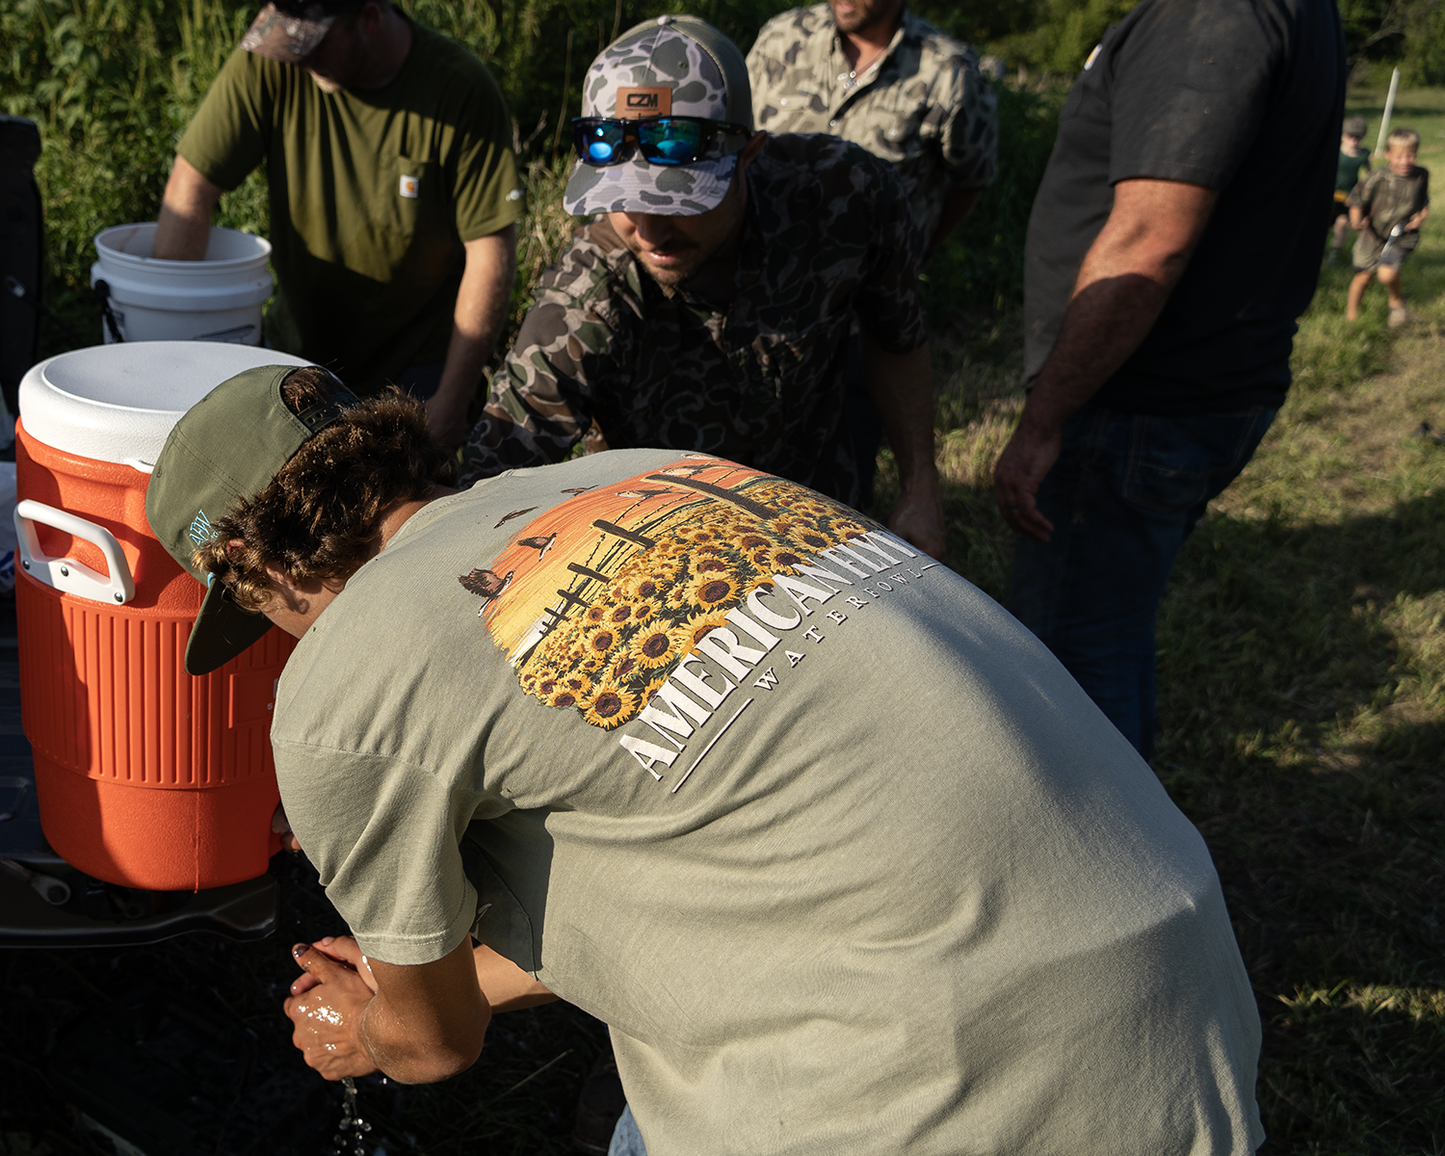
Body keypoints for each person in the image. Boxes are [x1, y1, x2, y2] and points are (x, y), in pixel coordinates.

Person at [145, 361, 1267, 1155]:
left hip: (935, 1082)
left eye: (253, 611)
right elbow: (716, 837)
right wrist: (437, 966)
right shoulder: (653, 473)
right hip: (1176, 993)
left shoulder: (341, 684)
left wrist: (372, 1020)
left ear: (249, 561)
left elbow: (432, 1048)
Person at [992, 0, 1346, 759]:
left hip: (1136, 402)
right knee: (1110, 633)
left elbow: (1151, 240)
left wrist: (1042, 421)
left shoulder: (1209, 13)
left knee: (1068, 670)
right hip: (1200, 389)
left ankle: (1096, 866)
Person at [459, 16, 946, 560]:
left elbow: (896, 336)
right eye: (622, 200)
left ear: (750, 154)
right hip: (666, 565)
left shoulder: (846, 199)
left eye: (676, 200)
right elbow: (492, 481)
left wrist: (920, 486)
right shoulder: (589, 292)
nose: (647, 230)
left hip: (822, 524)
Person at [151, 0, 525, 449]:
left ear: (369, 15)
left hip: (413, 366)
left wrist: (449, 401)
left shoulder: (457, 89)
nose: (299, 59)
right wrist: (170, 362)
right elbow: (190, 187)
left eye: (313, 44)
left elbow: (490, 250)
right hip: (297, 355)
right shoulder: (277, 61)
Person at [746, 0, 997, 259]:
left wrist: (915, 253)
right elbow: (736, 137)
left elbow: (971, 179)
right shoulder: (782, 37)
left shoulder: (948, 73)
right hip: (763, 265)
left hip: (868, 283)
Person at [1346, 127, 1430, 327]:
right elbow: (1357, 201)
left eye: (1411, 155)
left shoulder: (1421, 175)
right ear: (1388, 154)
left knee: (1386, 273)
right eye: (1399, 156)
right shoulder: (1378, 176)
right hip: (1372, 233)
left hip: (1401, 233)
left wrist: (1421, 217)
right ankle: (1351, 318)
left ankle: (1396, 302)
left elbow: (1423, 200)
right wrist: (1357, 221)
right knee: (1362, 277)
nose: (1405, 161)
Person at [1330, 115, 1371, 261]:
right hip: (1329, 194)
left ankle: (1334, 255)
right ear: (1343, 136)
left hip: (1348, 197)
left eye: (1358, 138)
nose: (1353, 141)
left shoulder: (1364, 154)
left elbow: (1369, 176)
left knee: (1341, 224)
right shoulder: (1334, 150)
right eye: (1350, 136)